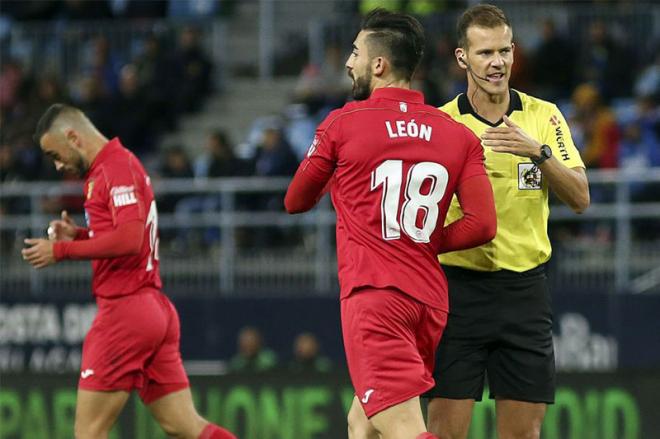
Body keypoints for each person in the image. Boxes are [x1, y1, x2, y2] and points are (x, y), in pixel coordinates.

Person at [285, 9, 497, 439]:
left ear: (378, 64)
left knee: (402, 429)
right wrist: (418, 239)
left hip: (376, 297)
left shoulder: (343, 123)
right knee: (361, 424)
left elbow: (295, 200)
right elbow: (482, 224)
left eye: (355, 52)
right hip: (430, 303)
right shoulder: (457, 134)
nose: (348, 62)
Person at [425, 5, 590, 439]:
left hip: (524, 294)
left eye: (504, 50)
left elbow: (580, 197)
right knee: (443, 433)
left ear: (514, 52)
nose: (497, 62)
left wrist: (536, 151)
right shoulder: (441, 123)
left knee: (522, 435)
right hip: (458, 294)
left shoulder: (544, 116)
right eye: (484, 53)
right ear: (462, 58)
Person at [22, 104, 236, 439]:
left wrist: (61, 251)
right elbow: (121, 233)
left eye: (55, 154)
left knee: (89, 433)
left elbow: (129, 239)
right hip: (152, 308)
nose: (58, 165)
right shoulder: (114, 167)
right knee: (184, 427)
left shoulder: (114, 168)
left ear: (73, 137)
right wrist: (78, 235)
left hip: (125, 310)